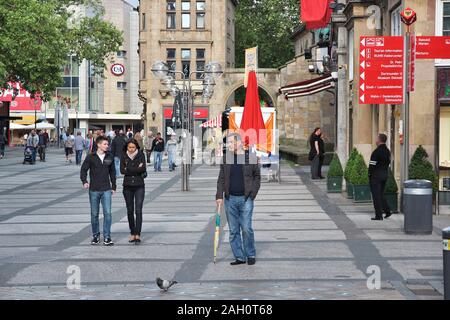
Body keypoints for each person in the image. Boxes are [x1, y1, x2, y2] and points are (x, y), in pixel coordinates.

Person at [216, 133, 261, 266]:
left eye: (230, 142)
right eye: (228, 142)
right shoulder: (226, 158)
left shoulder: (250, 157)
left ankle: (250, 254)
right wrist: (219, 196)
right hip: (230, 199)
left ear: (239, 143)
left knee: (246, 228)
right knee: (233, 230)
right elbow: (221, 179)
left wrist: (252, 194)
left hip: (246, 198)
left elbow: (257, 177)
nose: (228, 145)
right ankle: (239, 256)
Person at [80, 136, 116, 246]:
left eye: (107, 144)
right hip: (94, 190)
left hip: (106, 189)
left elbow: (113, 173)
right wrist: (84, 181)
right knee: (94, 214)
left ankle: (107, 237)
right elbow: (83, 169)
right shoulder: (91, 157)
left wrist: (114, 186)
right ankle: (95, 236)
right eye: (105, 144)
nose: (107, 146)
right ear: (99, 144)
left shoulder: (110, 156)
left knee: (108, 213)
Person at [120, 139, 147, 244]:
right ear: (127, 147)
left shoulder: (141, 155)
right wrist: (136, 168)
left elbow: (143, 168)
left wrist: (129, 168)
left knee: (138, 210)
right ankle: (132, 233)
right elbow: (122, 171)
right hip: (127, 186)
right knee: (129, 210)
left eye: (133, 147)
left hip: (139, 186)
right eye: (129, 147)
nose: (131, 149)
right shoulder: (124, 156)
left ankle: (138, 234)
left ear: (136, 147)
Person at [369, 133, 392, 221]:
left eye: (376, 138)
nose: (375, 140)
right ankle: (387, 211)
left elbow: (372, 165)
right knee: (381, 194)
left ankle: (378, 215)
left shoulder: (376, 151)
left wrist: (370, 174)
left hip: (376, 176)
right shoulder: (387, 151)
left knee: (376, 195)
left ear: (379, 140)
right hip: (384, 175)